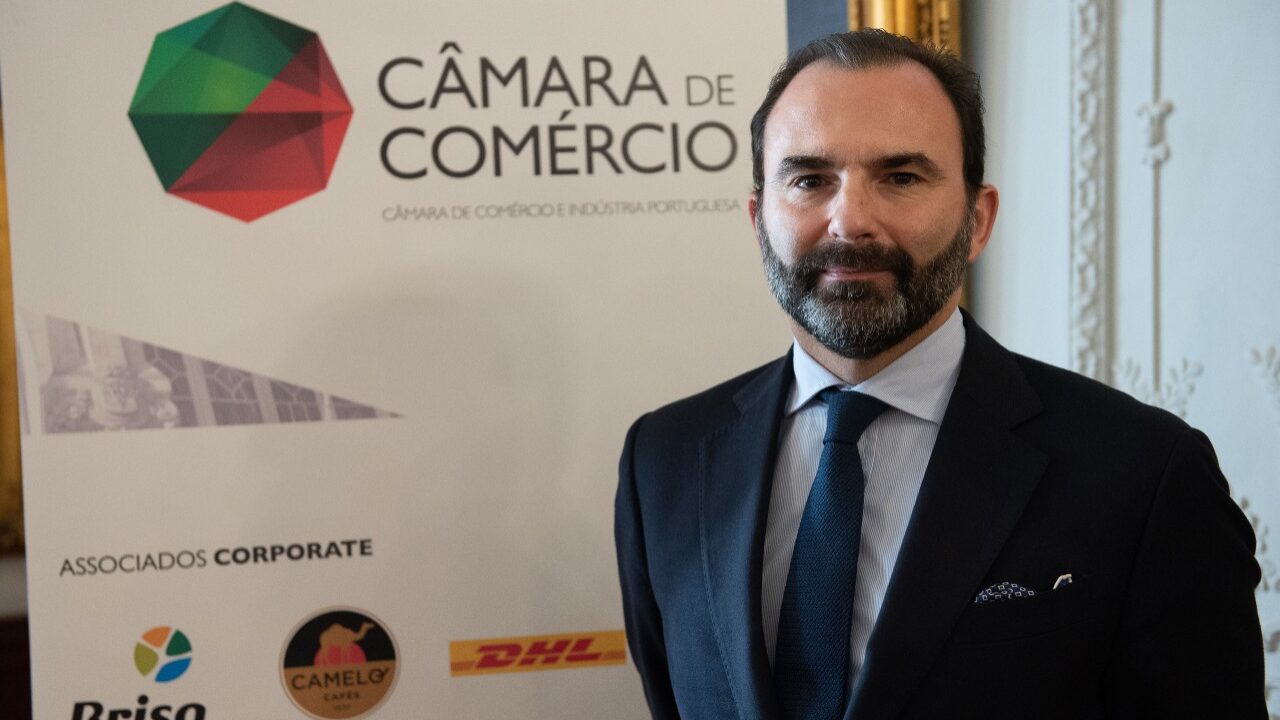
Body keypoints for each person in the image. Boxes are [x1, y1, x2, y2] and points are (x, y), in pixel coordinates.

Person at [614, 29, 1264, 720]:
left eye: (901, 177)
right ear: (758, 220)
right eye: (809, 180)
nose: (850, 221)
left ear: (977, 221)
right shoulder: (665, 462)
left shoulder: (1143, 474)